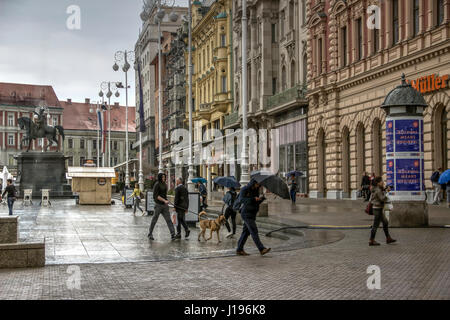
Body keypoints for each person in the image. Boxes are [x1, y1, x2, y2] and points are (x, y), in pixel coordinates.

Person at [236, 179, 271, 256]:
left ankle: (239, 249)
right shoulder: (244, 189)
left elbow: (256, 202)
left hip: (252, 213)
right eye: (258, 183)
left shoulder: (256, 190)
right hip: (246, 213)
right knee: (254, 230)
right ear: (254, 183)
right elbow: (241, 200)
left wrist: (261, 199)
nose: (259, 185)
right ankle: (261, 249)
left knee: (246, 232)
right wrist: (253, 199)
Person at [148, 173, 176, 241]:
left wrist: (166, 200)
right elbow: (156, 196)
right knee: (154, 219)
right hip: (158, 205)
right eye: (163, 177)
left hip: (164, 205)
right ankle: (150, 233)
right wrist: (164, 200)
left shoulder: (165, 185)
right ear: (160, 177)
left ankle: (173, 234)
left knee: (168, 220)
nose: (164, 178)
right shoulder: (157, 184)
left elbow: (164, 195)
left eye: (164, 177)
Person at [369, 176, 396, 246]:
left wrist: (384, 190)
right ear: (378, 183)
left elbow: (380, 195)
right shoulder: (378, 190)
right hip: (377, 209)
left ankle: (388, 238)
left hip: (378, 208)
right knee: (375, 225)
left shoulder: (377, 189)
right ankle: (371, 240)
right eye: (382, 181)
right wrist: (387, 191)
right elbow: (382, 198)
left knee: (385, 222)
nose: (383, 182)